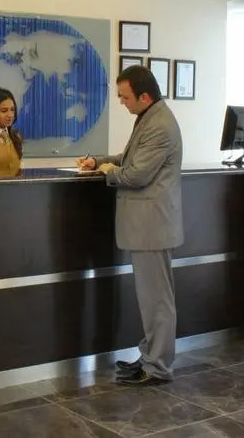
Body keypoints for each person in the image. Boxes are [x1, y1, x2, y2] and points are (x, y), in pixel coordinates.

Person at [77, 65, 183, 386]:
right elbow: (129, 157)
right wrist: (99, 161)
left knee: (157, 301)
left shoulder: (160, 125)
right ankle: (151, 357)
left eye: (125, 97)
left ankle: (158, 366)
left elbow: (136, 174)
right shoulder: (149, 117)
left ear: (144, 96)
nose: (122, 102)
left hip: (152, 226)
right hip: (146, 226)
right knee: (150, 300)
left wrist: (107, 173)